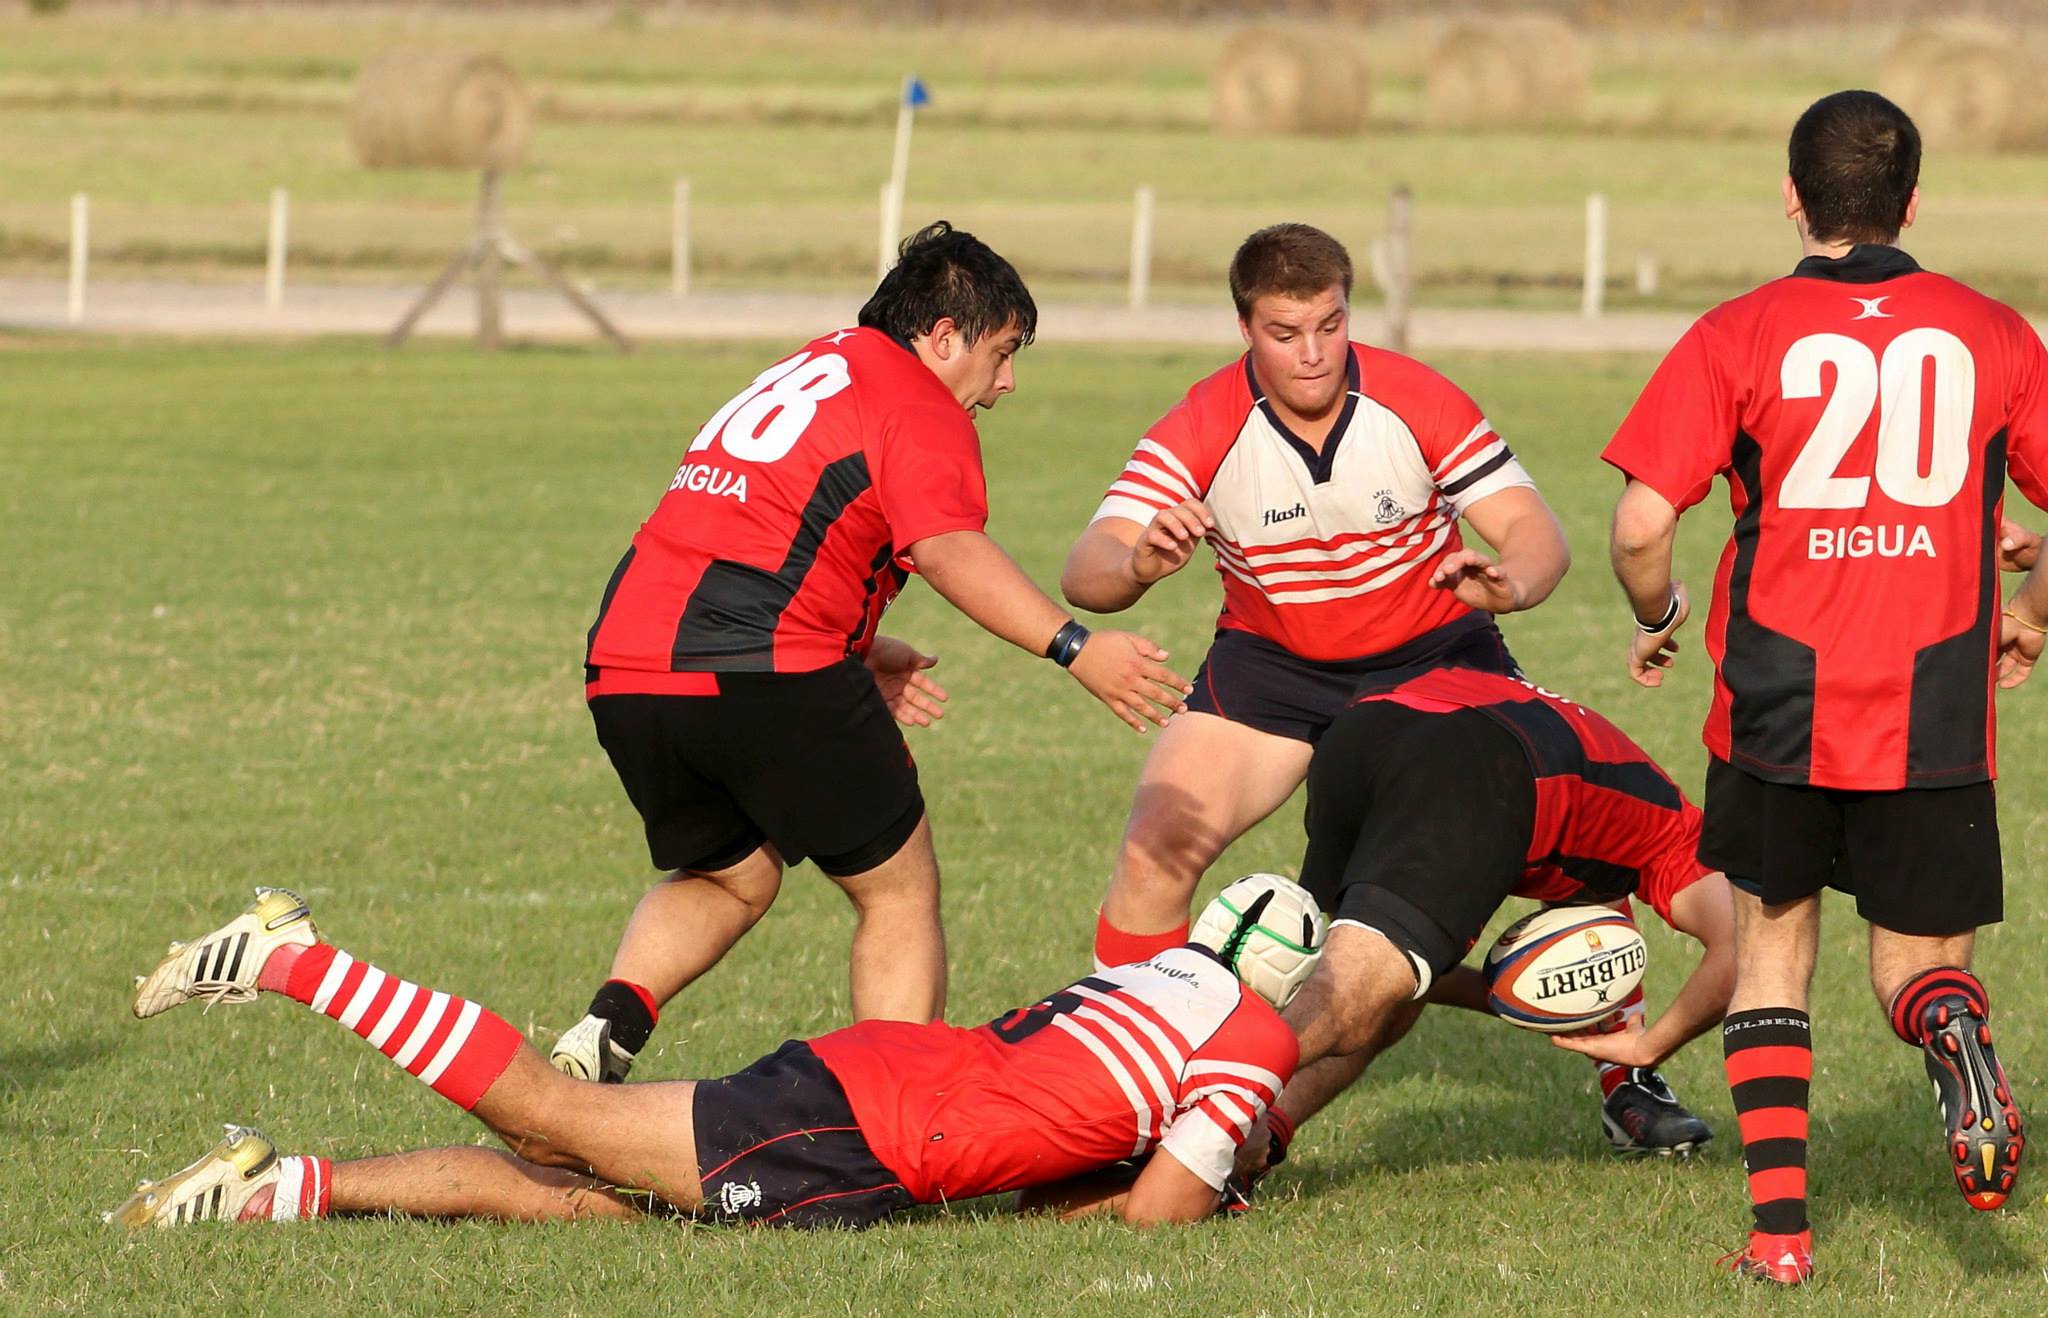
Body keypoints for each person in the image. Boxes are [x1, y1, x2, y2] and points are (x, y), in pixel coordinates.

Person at [1060, 223, 1709, 1146]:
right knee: (1153, 850)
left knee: (1569, 846)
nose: (1314, 352)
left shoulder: (1413, 398)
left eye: (1330, 324)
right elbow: (1086, 569)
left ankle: (1626, 1074)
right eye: (1287, 332)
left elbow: (1535, 532)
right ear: (1245, 327)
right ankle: (1124, 1082)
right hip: (1273, 669)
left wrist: (1513, 583)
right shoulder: (1204, 420)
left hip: (1437, 659)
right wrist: (1139, 565)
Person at [556, 221, 1191, 1084]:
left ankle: (607, 1027)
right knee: (897, 892)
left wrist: (852, 644)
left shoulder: (817, 364)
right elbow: (948, 549)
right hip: (764, 670)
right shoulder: (917, 402)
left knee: (732, 876)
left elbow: (756, 527)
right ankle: (899, 1114)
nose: (1005, 384)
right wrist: (1076, 647)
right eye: (1002, 353)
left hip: (626, 669)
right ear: (940, 338)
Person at [1602, 91, 2048, 1284]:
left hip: (1773, 709)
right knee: (1913, 964)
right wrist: (2027, 616)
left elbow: (1641, 523)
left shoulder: (1736, 333)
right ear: (1910, 201)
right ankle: (1950, 1023)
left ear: (1791, 195)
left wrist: (1656, 614)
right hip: (1935, 710)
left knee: (1771, 958)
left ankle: (1781, 1239)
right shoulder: (1994, 334)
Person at [112, 880, 1310, 1231]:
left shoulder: (1149, 972)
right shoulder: (1253, 1037)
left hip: (875, 1088)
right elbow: (1155, 1211)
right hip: (866, 1133)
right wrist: (1228, 1166)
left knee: (605, 1209)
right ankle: (292, 958)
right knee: (550, 1121)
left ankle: (281, 1188)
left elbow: (1073, 1123)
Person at [1235, 666, 1733, 1187]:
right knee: (1352, 997)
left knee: (1379, 988)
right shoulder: (1676, 835)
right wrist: (1651, 1045)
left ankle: (1256, 1137)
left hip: (1362, 730)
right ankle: (1189, 1098)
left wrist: (1504, 995)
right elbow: (1741, 950)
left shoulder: (1607, 814)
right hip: (1480, 761)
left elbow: (1420, 976)